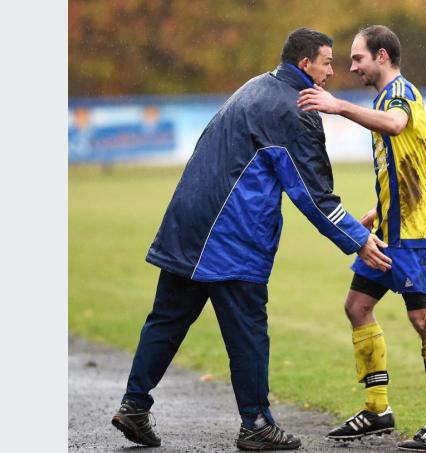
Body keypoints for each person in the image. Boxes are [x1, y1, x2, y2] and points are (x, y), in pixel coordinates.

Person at [110, 28, 391, 451]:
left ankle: (134, 405)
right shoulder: (296, 110)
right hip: (229, 236)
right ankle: (256, 423)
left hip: (187, 224)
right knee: (248, 331)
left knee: (167, 319)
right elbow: (313, 194)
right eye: (328, 62)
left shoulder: (256, 85)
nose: (333, 71)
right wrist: (357, 239)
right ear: (305, 65)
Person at [297, 25, 426, 451]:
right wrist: (377, 210)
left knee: (425, 321)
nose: (351, 67)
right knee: (357, 306)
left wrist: (336, 106)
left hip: (415, 233)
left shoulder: (399, 94)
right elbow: (403, 160)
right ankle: (377, 410)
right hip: (390, 229)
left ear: (383, 56)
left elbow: (395, 125)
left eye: (358, 58)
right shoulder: (383, 96)